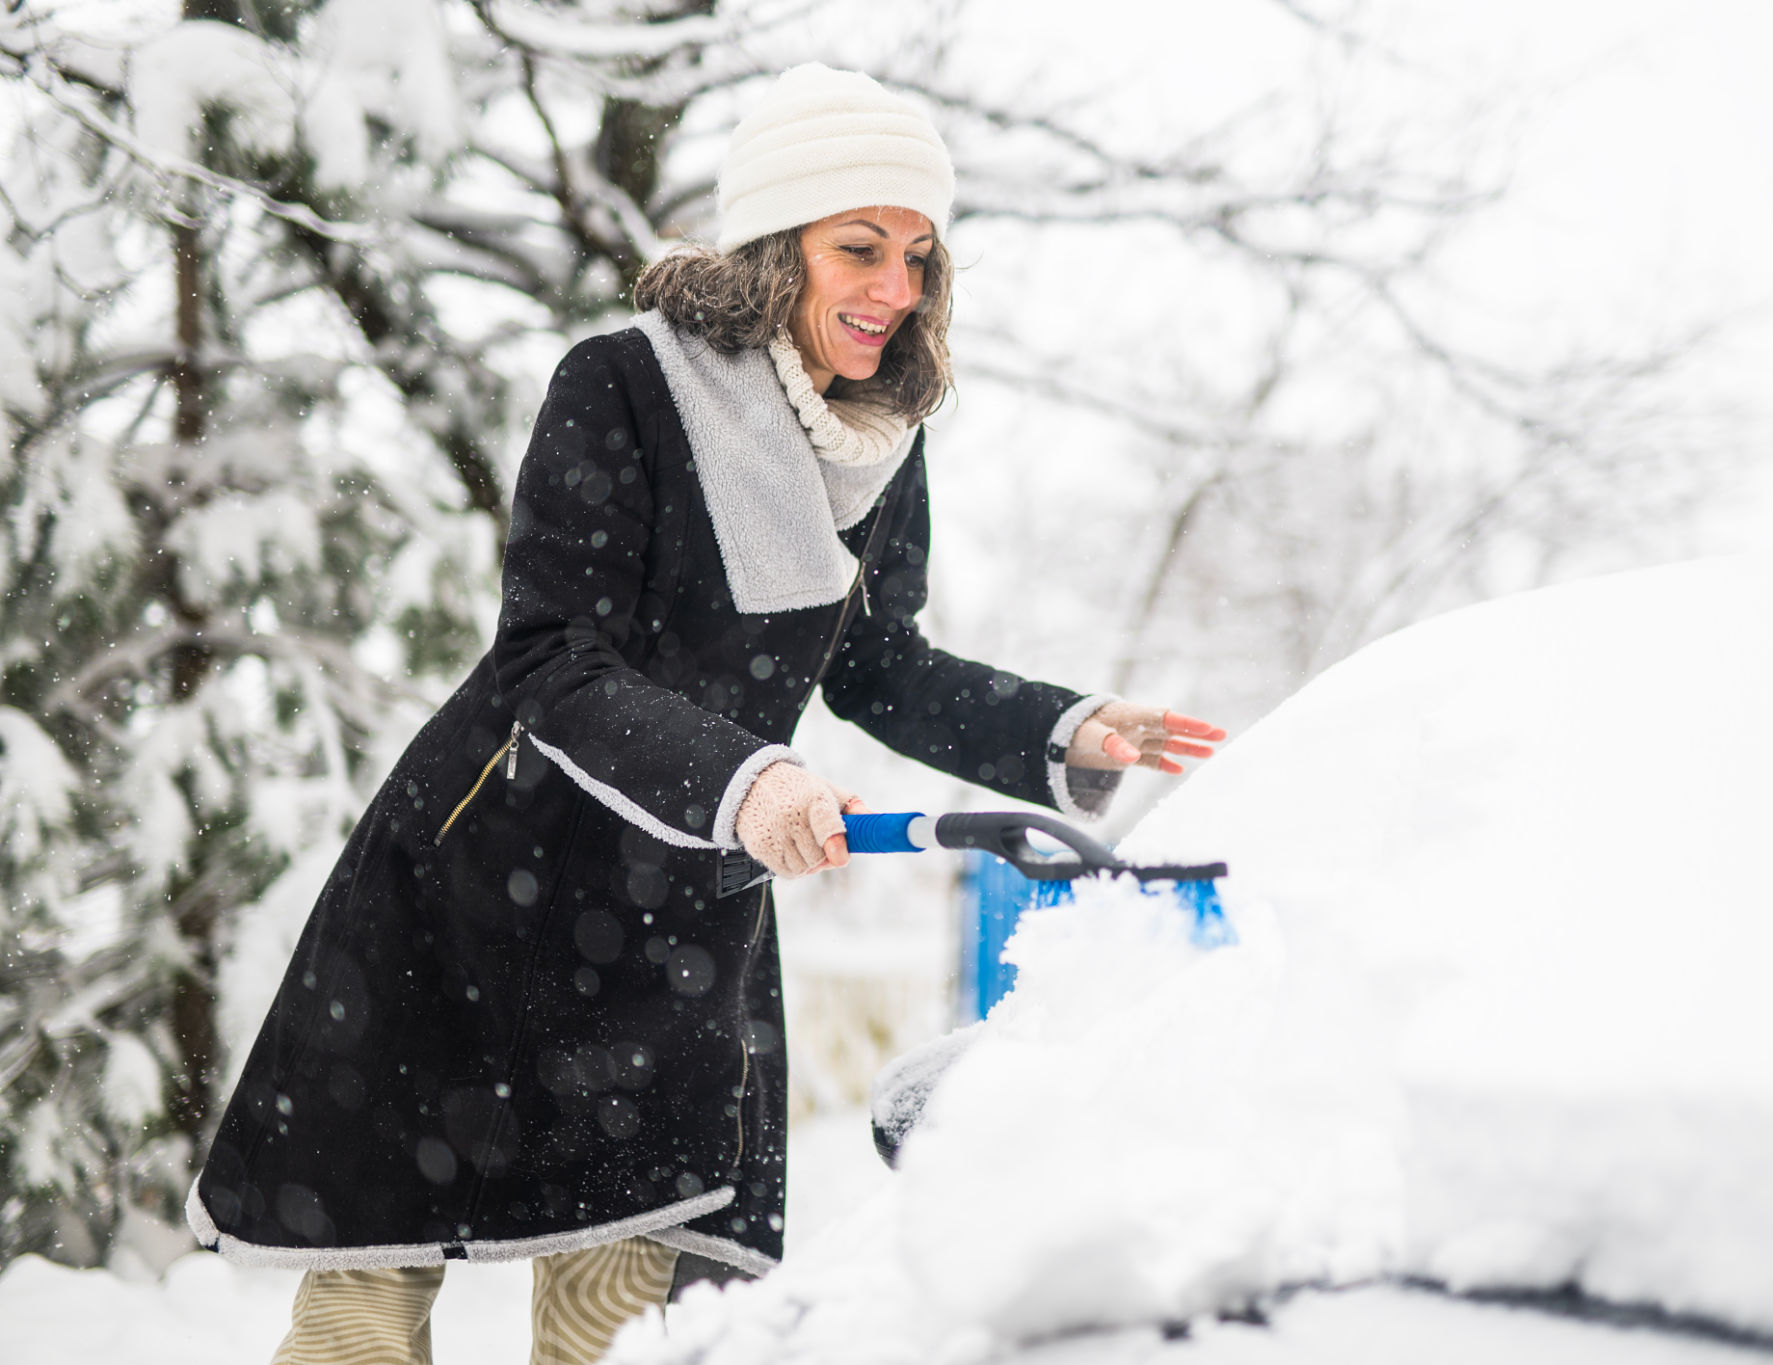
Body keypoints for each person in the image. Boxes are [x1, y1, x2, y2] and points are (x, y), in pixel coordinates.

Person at [187, 63, 1225, 1365]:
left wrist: (1064, 728)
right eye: (861, 247)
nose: (896, 289)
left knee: (619, 1317)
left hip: (669, 916)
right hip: (479, 880)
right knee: (366, 1312)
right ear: (777, 243)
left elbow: (879, 671)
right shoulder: (623, 382)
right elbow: (551, 660)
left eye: (918, 255)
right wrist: (751, 781)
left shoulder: (883, 440)